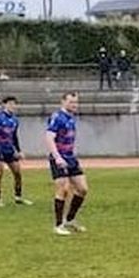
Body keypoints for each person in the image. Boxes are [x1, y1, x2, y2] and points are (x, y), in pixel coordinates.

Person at [46, 92, 91, 235]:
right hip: (59, 158)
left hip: (71, 158)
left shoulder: (71, 118)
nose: (74, 105)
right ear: (63, 102)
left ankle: (70, 220)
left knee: (83, 189)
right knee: (63, 189)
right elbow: (49, 138)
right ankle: (58, 225)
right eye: (71, 102)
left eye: (76, 102)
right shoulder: (57, 117)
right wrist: (57, 157)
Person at [0, 96, 32, 207]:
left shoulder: (14, 119)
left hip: (9, 149)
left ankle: (18, 197)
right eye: (10, 104)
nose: (12, 106)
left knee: (17, 173)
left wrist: (19, 150)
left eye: (14, 104)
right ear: (4, 105)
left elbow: (14, 136)